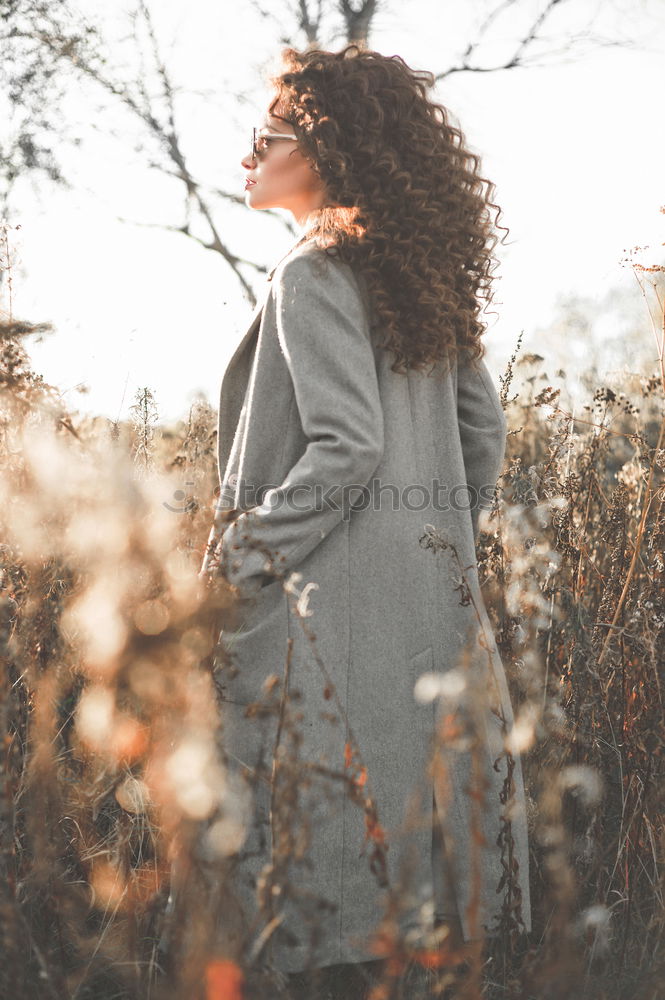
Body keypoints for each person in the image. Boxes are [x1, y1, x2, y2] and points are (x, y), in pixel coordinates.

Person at [200, 43, 532, 988]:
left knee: (317, 889)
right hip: (428, 618)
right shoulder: (422, 278)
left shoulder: (310, 274)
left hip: (316, 615)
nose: (247, 155)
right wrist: (434, 549)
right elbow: (481, 435)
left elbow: (346, 446)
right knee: (416, 893)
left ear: (326, 149)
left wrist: (238, 562)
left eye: (266, 137)